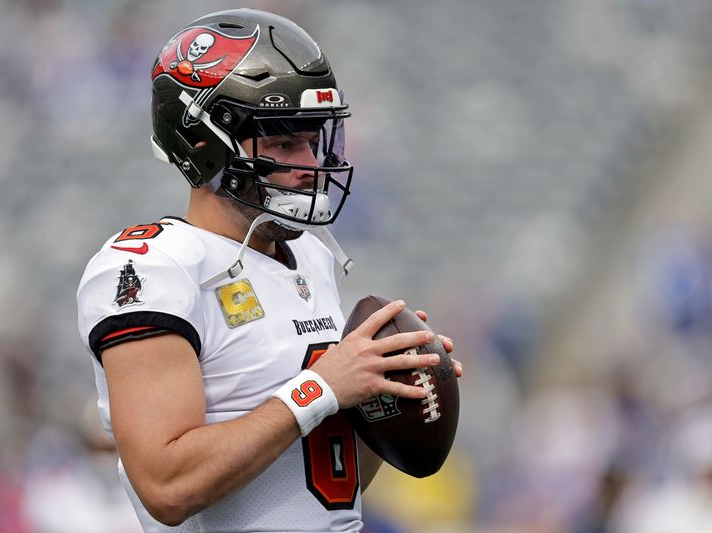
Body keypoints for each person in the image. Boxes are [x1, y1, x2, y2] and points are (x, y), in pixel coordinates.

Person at [77, 8, 459, 532]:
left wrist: (381, 397)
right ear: (205, 145)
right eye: (283, 142)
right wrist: (319, 389)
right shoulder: (154, 267)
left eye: (310, 139)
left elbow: (322, 487)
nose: (308, 162)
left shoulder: (312, 258)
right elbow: (167, 486)